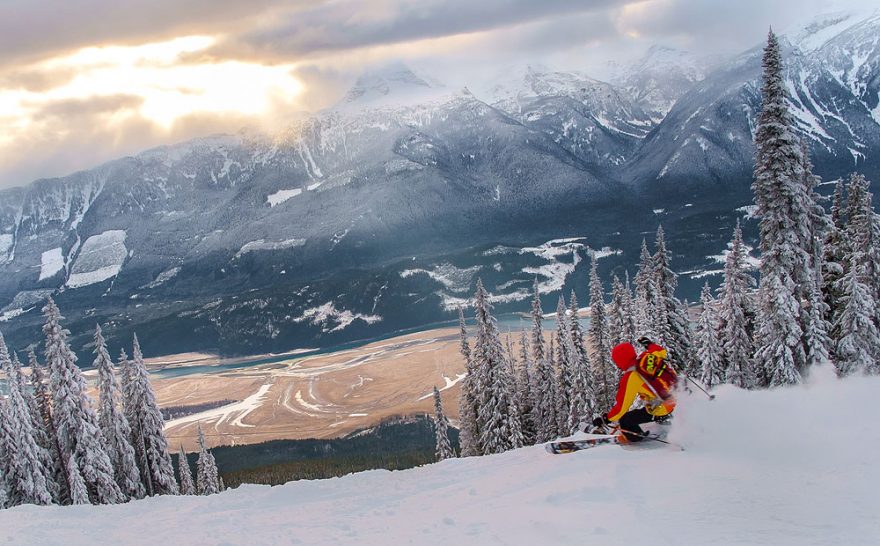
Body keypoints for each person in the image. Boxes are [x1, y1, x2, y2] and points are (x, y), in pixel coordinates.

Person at [592, 337, 677, 442]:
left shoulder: (631, 376)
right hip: (678, 398)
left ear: (620, 360)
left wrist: (605, 419)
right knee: (643, 412)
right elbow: (661, 351)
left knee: (625, 420)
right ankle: (663, 424)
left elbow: (621, 407)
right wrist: (649, 344)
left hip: (664, 409)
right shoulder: (645, 357)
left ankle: (640, 441)